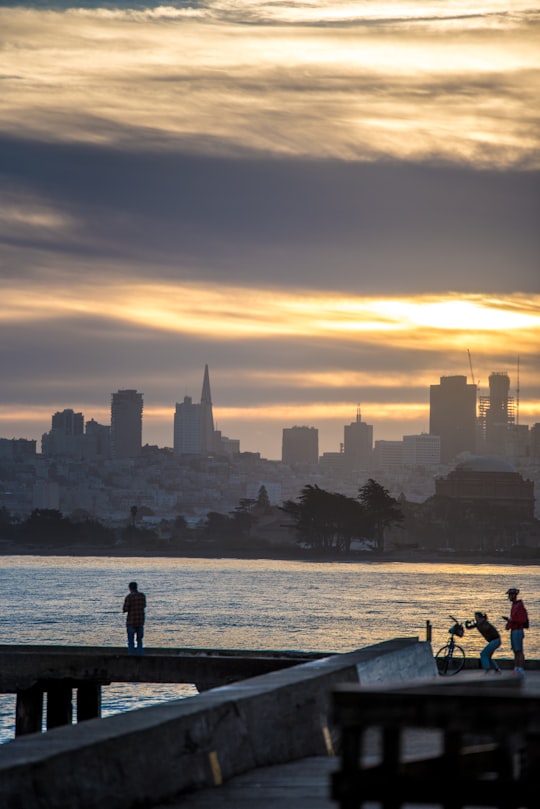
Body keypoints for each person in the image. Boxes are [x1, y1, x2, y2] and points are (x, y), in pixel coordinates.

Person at [502, 587, 528, 677]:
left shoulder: (519, 606)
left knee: (519, 651)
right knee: (515, 651)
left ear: (514, 595)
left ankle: (520, 669)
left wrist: (511, 620)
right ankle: (516, 668)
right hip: (514, 630)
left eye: (510, 595)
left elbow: (521, 619)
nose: (509, 597)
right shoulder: (515, 605)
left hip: (517, 630)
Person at [123, 581, 146, 655]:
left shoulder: (129, 597)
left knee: (131, 641)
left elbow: (125, 609)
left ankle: (131, 656)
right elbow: (144, 605)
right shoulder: (142, 596)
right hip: (140, 621)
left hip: (131, 622)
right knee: (139, 640)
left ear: (130, 588)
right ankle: (140, 655)